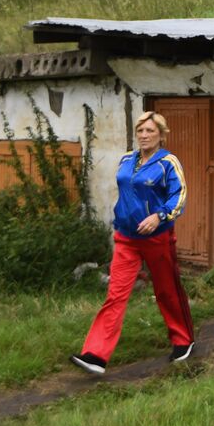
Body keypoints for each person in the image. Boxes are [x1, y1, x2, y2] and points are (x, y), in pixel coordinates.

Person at [71, 110, 195, 375]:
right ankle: (96, 355)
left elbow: (179, 195)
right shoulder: (127, 160)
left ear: (161, 135)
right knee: (115, 295)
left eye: (150, 131)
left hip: (157, 238)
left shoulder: (168, 163)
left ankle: (183, 340)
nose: (144, 135)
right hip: (126, 238)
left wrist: (159, 215)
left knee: (166, 290)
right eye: (140, 131)